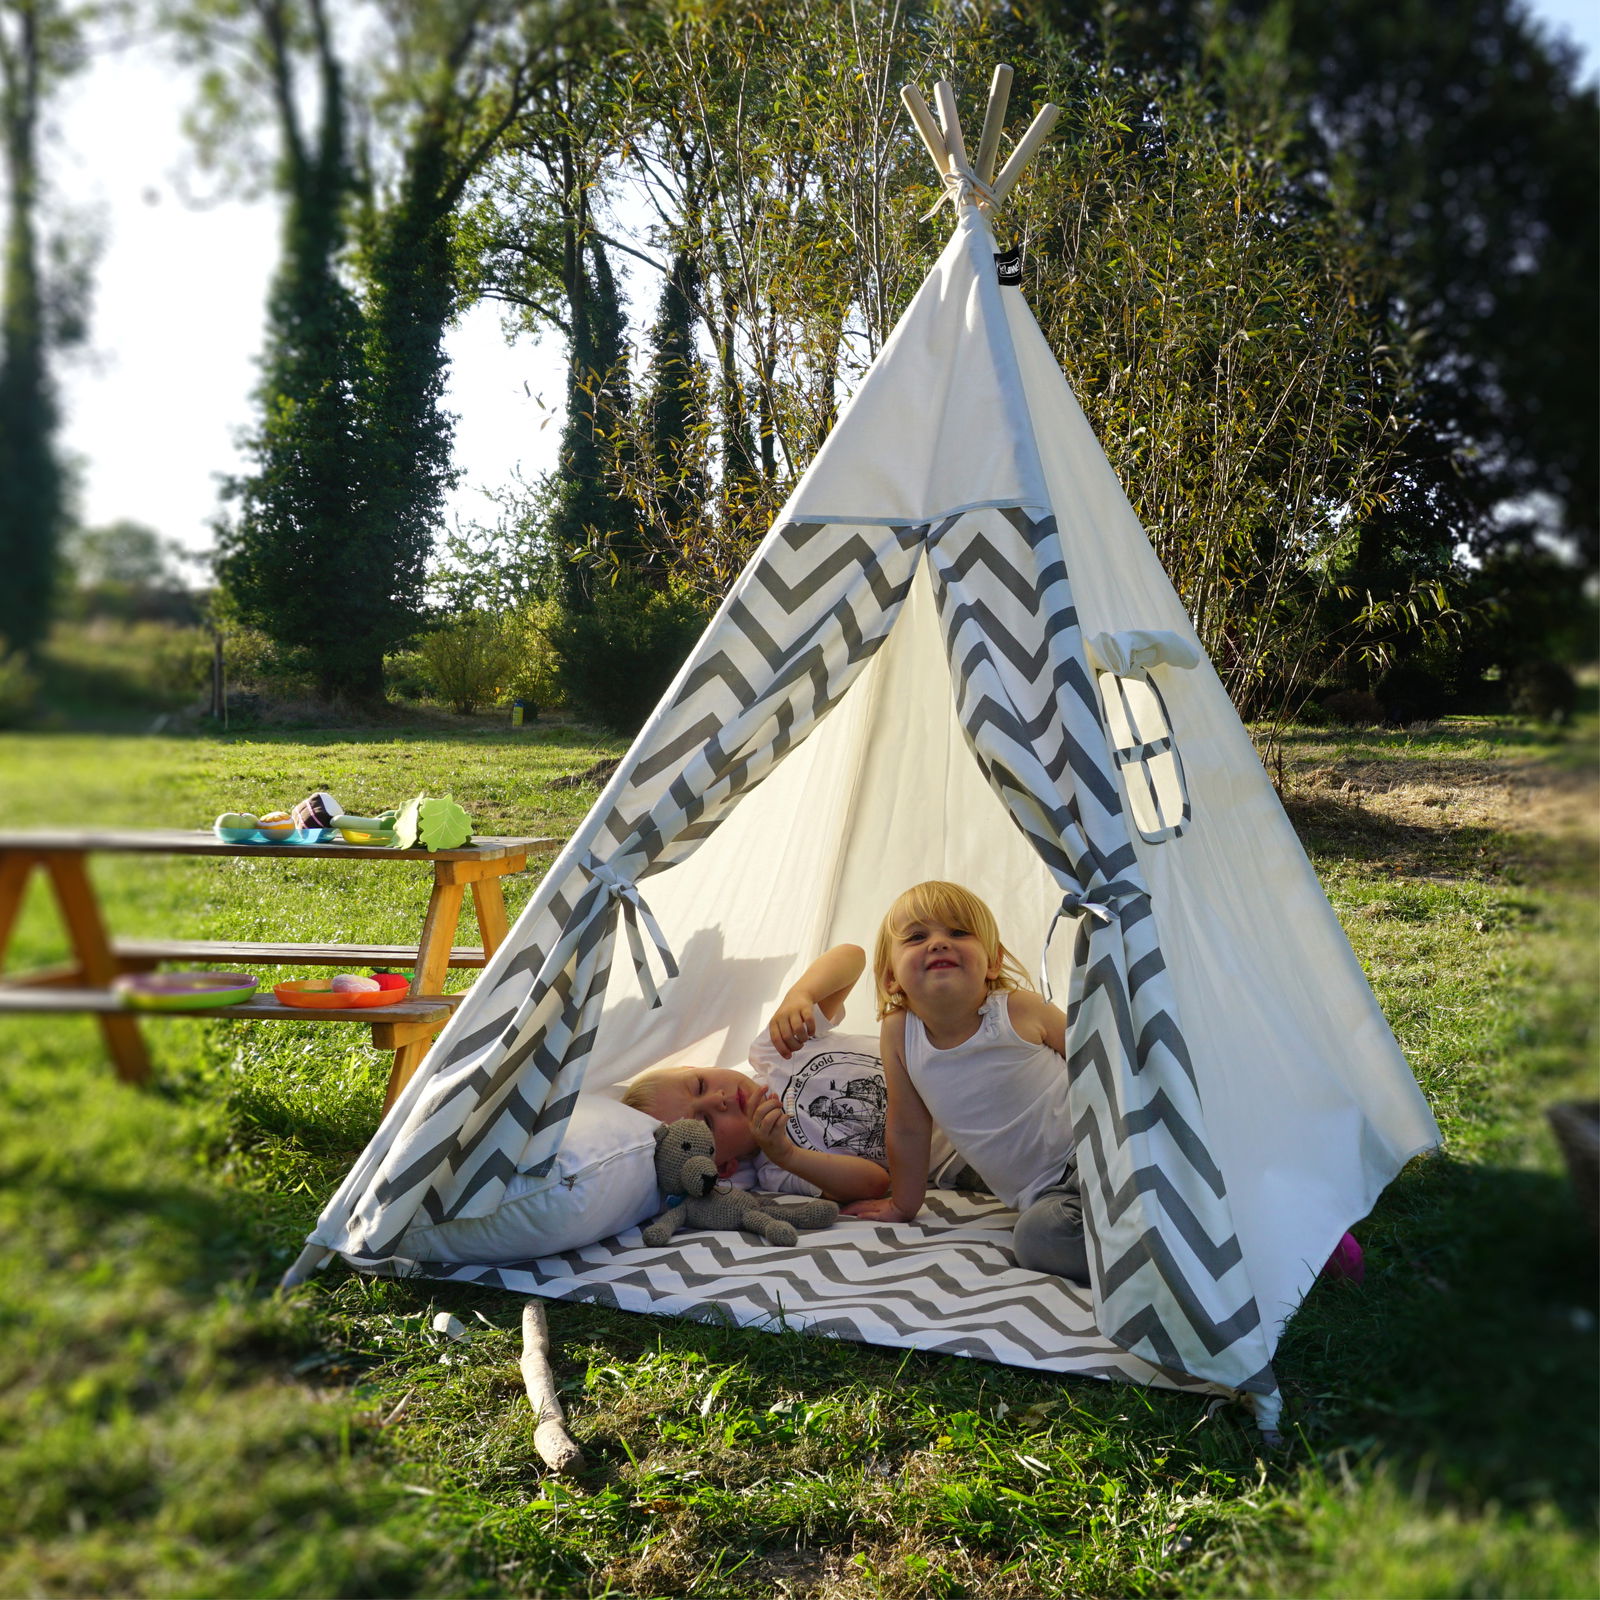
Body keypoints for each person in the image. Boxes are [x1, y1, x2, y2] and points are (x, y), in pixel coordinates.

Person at [842, 880, 1090, 1284]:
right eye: (917, 937)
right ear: (890, 979)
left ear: (992, 962)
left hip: (1097, 1151)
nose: (938, 943)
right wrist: (903, 1205)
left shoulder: (1018, 1010)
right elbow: (907, 1127)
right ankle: (1140, 1252)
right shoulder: (900, 1033)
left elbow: (1098, 1063)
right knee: (1036, 1241)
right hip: (1049, 1198)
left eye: (959, 932)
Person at [618, 945, 894, 1203]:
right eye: (707, 1123)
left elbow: (853, 957)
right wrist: (788, 1155)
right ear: (724, 1167)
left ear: (698, 1068)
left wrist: (801, 995)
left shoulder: (774, 1050)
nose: (717, 1099)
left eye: (701, 1085)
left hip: (918, 1063)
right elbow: (876, 1184)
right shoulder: (777, 1169)